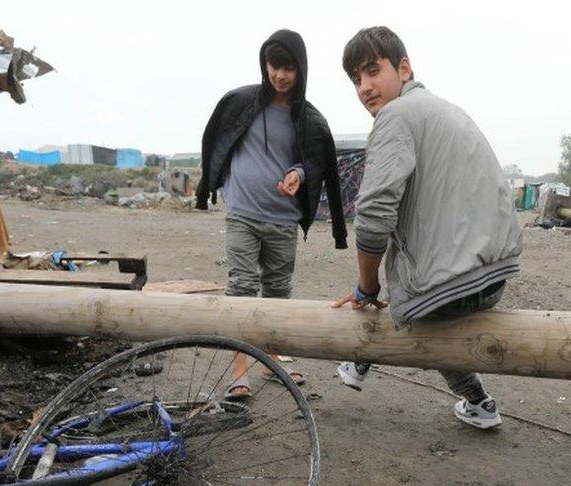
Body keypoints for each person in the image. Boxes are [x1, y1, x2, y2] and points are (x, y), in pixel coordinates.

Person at [332, 26, 523, 429]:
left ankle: (360, 359)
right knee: (422, 306)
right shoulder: (449, 110)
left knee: (398, 305)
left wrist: (366, 288)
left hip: (452, 286)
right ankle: (478, 404)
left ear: (403, 68)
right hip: (494, 275)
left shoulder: (394, 117)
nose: (365, 87)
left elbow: (373, 217)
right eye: (356, 80)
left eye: (372, 71)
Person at [196, 29, 348, 400]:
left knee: (278, 292)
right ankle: (239, 370)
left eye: (289, 68)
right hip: (243, 214)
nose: (280, 75)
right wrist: (212, 186)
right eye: (274, 66)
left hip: (282, 220)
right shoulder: (241, 102)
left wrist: (298, 173)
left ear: (301, 70)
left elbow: (314, 162)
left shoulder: (308, 119)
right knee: (242, 289)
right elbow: (216, 140)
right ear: (265, 66)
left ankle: (272, 358)